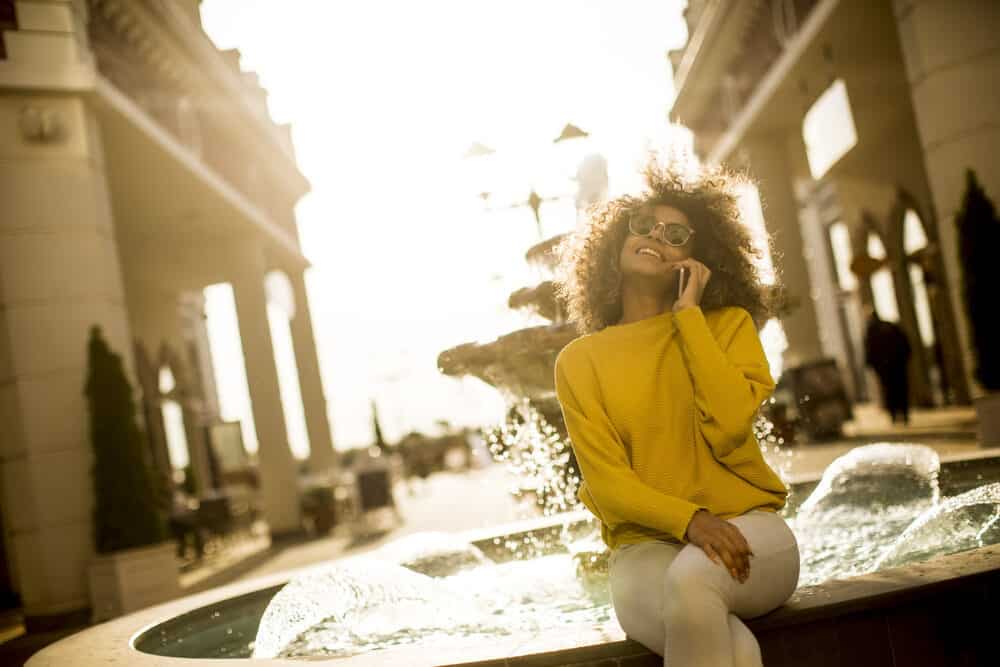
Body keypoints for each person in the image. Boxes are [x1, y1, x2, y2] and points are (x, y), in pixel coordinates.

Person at [552, 161, 799, 667]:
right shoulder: (579, 361)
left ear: (698, 261)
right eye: (642, 225)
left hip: (751, 528)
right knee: (738, 650)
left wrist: (689, 319)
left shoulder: (727, 328)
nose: (654, 236)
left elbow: (729, 427)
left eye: (675, 233)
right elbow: (607, 484)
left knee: (691, 580)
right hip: (642, 551)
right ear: (615, 243)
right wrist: (691, 522)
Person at [863, 306, 913, 424]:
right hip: (897, 364)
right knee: (901, 389)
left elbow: (869, 349)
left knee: (889, 390)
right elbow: (904, 342)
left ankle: (894, 415)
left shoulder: (872, 330)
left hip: (885, 367)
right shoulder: (890, 326)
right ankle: (904, 413)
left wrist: (871, 364)